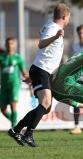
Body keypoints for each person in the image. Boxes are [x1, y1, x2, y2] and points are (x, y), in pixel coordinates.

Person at [8, 3, 70, 147]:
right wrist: (55, 37)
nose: (68, 21)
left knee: (46, 107)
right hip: (41, 70)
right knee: (45, 103)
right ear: (64, 17)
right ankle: (28, 134)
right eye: (68, 18)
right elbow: (41, 44)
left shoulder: (52, 26)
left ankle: (16, 129)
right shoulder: (53, 28)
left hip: (43, 71)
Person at [0, 37, 29, 127]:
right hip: (4, 85)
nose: (9, 45)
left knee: (13, 106)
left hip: (14, 84)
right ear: (5, 45)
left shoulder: (18, 58)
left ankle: (13, 128)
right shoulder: (1, 57)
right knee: (3, 110)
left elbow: (24, 72)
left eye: (11, 43)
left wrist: (29, 79)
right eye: (8, 43)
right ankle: (15, 123)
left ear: (14, 45)